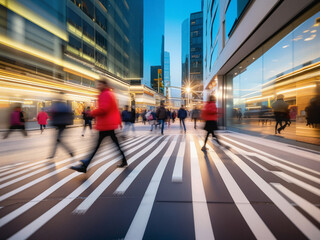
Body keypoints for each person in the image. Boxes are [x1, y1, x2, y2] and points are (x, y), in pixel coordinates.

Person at [71, 79, 127, 173]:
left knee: (96, 146)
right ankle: (124, 160)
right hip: (109, 124)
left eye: (100, 84)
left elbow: (103, 109)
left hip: (106, 124)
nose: (98, 86)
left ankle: (85, 164)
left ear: (104, 85)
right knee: (114, 144)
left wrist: (92, 113)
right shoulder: (110, 94)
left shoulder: (105, 94)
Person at [48, 94, 74, 159]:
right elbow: (70, 115)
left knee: (58, 140)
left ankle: (70, 151)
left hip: (59, 124)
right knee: (58, 140)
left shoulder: (56, 106)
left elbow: (53, 114)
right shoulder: (66, 106)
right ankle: (69, 152)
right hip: (62, 125)